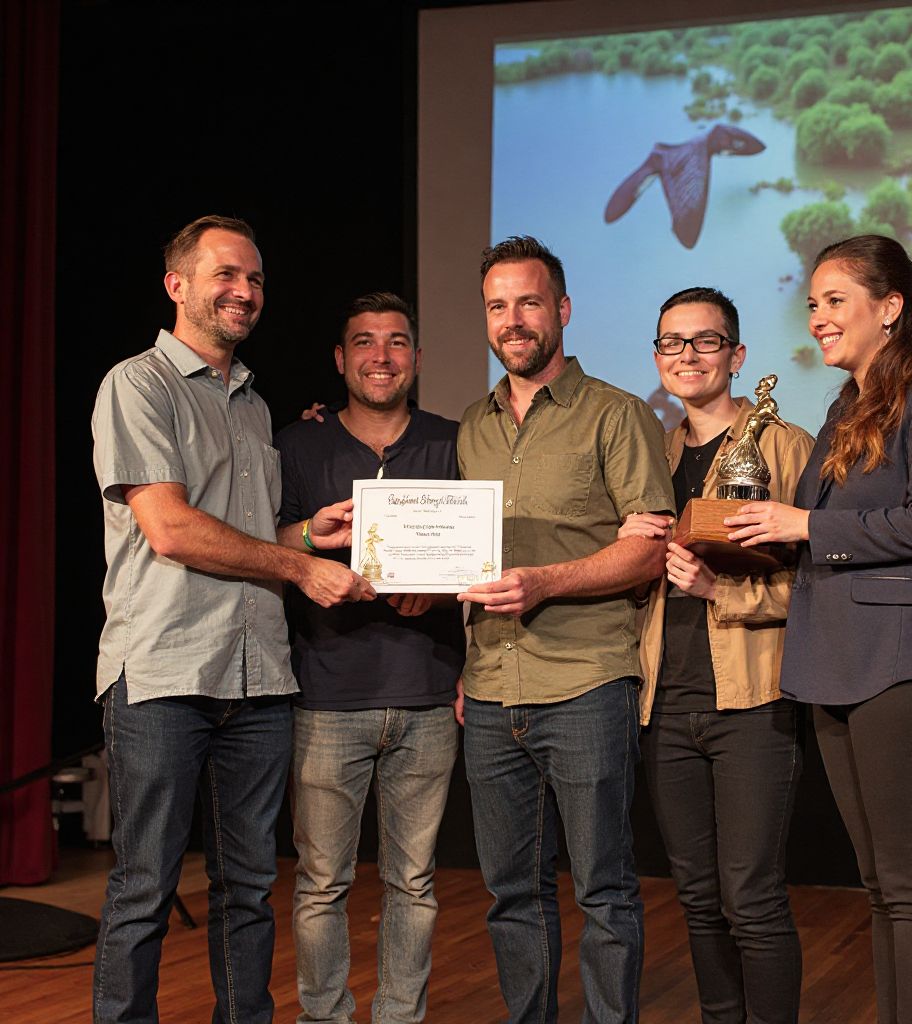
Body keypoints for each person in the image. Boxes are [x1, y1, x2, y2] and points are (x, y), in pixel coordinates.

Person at [91, 215, 375, 1024]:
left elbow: (246, 537)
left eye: (254, 278)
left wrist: (309, 535)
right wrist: (300, 566)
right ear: (177, 285)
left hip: (256, 678)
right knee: (145, 885)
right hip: (164, 674)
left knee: (248, 890)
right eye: (225, 275)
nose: (244, 291)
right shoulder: (136, 384)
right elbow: (173, 529)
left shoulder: (252, 405)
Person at [724, 235, 912, 1024]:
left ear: (891, 307)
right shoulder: (844, 406)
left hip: (900, 661)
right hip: (832, 658)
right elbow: (823, 525)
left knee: (911, 884)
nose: (818, 319)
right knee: (880, 885)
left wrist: (801, 523)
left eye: (836, 301)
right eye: (812, 304)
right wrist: (735, 539)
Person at [456, 236, 675, 1023]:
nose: (513, 320)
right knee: (511, 895)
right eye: (497, 305)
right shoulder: (470, 428)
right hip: (488, 693)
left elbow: (649, 550)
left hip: (584, 684)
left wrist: (547, 582)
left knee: (605, 890)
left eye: (529, 302)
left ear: (563, 311)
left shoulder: (617, 414)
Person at [617, 287, 813, 1024]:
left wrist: (715, 591)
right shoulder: (649, 451)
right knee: (697, 897)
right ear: (658, 357)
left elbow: (817, 589)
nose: (688, 355)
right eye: (673, 342)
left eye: (706, 341)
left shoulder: (785, 445)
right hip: (665, 705)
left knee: (751, 897)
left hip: (753, 704)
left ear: (737, 355)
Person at [275, 292, 463, 1024]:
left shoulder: (454, 440)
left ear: (414, 357)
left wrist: (439, 595)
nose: (380, 357)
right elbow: (267, 543)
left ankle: (399, 1017)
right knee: (321, 883)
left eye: (395, 342)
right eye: (364, 342)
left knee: (413, 882)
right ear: (339, 359)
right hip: (325, 695)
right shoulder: (298, 444)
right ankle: (324, 1017)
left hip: (427, 691)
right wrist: (306, 538)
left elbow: (480, 559)